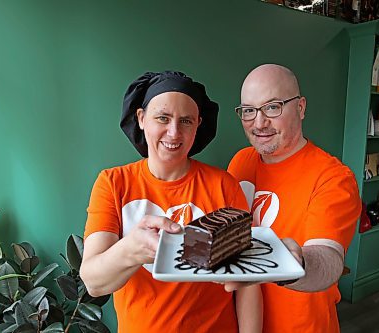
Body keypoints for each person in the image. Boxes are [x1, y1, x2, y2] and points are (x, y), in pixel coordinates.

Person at [80, 71, 262, 333]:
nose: (174, 132)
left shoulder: (224, 185)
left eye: (186, 120)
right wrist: (133, 248)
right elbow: (94, 282)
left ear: (198, 124)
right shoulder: (113, 183)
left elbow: (248, 281)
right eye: (162, 118)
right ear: (141, 119)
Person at [225, 64, 361, 333]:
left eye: (272, 107)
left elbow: (328, 259)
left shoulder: (332, 176)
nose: (259, 122)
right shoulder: (241, 161)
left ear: (300, 107)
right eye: (249, 111)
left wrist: (292, 264)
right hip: (242, 321)